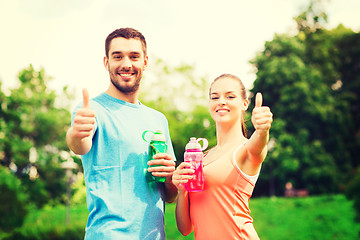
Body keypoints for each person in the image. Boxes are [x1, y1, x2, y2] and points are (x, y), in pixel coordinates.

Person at [66, 28, 178, 240]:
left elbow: (170, 196)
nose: (126, 64)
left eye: (134, 56)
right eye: (118, 56)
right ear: (106, 62)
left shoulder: (158, 119)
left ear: (145, 62)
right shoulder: (91, 111)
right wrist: (75, 133)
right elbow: (80, 144)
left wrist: (171, 178)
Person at [172, 74, 273, 239]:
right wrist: (181, 190)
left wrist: (262, 130)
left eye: (230, 96)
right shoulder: (201, 159)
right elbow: (185, 228)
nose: (221, 101)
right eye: (215, 97)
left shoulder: (245, 150)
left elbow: (258, 147)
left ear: (244, 104)